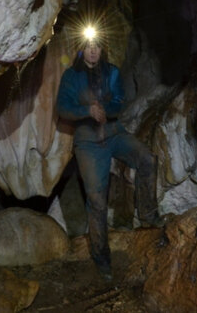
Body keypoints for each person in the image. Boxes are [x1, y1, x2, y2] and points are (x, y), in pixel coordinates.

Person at [56, 38, 164, 281]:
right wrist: (87, 111)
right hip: (88, 144)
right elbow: (63, 107)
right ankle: (102, 257)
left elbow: (118, 100)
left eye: (97, 48)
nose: (93, 52)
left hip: (114, 134)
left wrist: (106, 109)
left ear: (101, 50)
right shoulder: (72, 76)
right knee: (97, 201)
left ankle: (149, 215)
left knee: (147, 158)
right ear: (82, 50)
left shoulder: (112, 72)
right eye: (89, 48)